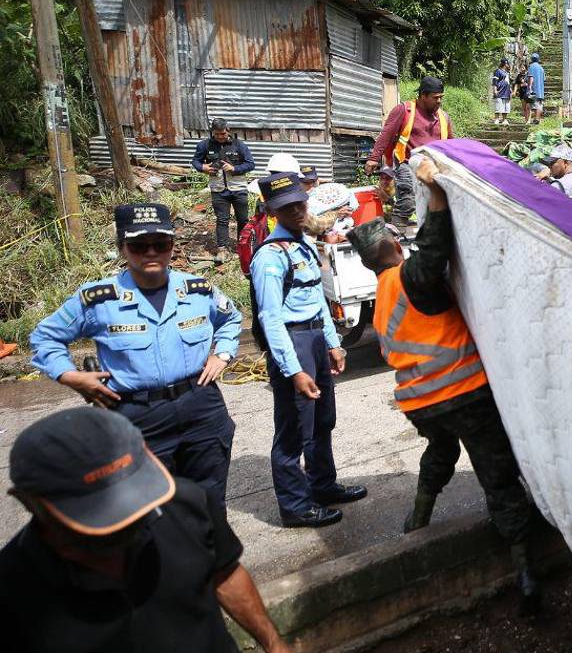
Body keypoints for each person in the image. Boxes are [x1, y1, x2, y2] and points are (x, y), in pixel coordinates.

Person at [0, 408, 315, 653]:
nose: (127, 533)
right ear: (30, 503)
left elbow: (226, 572)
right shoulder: (12, 589)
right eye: (98, 530)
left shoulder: (185, 505)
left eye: (136, 513)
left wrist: (275, 646)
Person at [349, 168, 542, 611]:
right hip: (464, 393)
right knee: (496, 473)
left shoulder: (381, 296)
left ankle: (417, 521)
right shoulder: (408, 278)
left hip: (422, 405)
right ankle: (525, 570)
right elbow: (434, 250)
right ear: (394, 247)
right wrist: (436, 193)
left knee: (440, 452)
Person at [30, 203, 241, 507]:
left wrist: (222, 353)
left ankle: (215, 554)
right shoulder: (99, 299)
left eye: (160, 244)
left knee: (208, 502)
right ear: (122, 248)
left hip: (201, 406)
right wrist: (70, 376)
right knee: (152, 510)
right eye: (139, 245)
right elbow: (45, 337)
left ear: (172, 246)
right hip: (139, 415)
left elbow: (231, 318)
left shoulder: (197, 289)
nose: (151, 252)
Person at [250, 173, 366, 528]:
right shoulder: (270, 257)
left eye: (300, 203)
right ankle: (296, 506)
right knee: (293, 431)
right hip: (292, 343)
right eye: (287, 207)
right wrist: (294, 370)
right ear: (271, 210)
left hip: (314, 338)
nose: (298, 210)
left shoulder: (302, 245)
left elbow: (317, 299)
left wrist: (333, 342)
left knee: (322, 421)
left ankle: (323, 485)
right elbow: (270, 319)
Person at [367, 76, 453, 228]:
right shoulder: (404, 110)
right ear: (423, 95)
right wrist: (374, 158)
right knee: (407, 199)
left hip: (433, 167)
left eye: (441, 98)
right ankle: (397, 231)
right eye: (435, 98)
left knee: (434, 203)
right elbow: (386, 134)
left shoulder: (444, 117)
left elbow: (452, 144)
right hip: (407, 163)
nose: (439, 101)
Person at [191, 118, 256, 261]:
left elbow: (251, 164)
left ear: (228, 130)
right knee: (222, 220)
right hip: (218, 189)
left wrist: (234, 168)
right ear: (212, 132)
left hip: (238, 189)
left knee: (243, 219)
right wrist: (204, 168)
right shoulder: (205, 145)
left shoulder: (239, 145)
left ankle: (243, 246)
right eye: (217, 134)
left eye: (223, 134)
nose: (220, 137)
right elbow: (195, 161)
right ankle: (222, 249)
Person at [491, 58, 513, 126]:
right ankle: (497, 119)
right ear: (505, 64)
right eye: (507, 64)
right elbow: (495, 81)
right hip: (500, 90)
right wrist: (495, 90)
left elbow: (508, 82)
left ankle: (504, 119)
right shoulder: (498, 71)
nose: (508, 65)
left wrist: (510, 90)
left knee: (506, 106)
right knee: (498, 105)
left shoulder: (507, 72)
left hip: (506, 92)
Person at [527, 53, 546, 124]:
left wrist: (529, 88)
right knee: (539, 105)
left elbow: (530, 77)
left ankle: (536, 119)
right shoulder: (541, 68)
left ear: (531, 59)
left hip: (534, 89)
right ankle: (537, 118)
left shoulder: (531, 67)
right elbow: (544, 79)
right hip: (541, 90)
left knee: (534, 105)